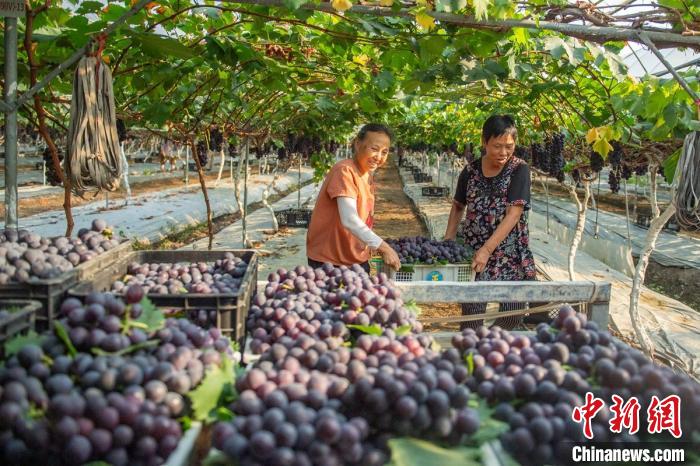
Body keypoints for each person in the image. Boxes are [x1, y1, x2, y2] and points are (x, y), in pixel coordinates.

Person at [444, 115, 536, 329]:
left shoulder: (519, 170)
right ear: (484, 141)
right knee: (472, 316)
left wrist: (487, 249)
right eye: (497, 146)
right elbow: (458, 205)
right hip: (474, 253)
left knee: (513, 315)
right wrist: (448, 239)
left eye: (509, 146)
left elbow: (514, 214)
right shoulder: (470, 171)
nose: (503, 153)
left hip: (509, 254)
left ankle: (493, 342)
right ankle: (472, 353)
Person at [306, 124, 401, 273]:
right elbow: (349, 219)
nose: (379, 157)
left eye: (385, 152)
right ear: (357, 144)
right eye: (374, 149)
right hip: (331, 263)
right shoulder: (345, 171)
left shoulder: (366, 174)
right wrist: (384, 247)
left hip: (355, 259)